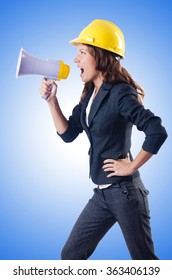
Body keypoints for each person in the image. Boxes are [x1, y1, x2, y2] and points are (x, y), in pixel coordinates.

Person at [39, 19, 167, 260]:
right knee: (70, 256)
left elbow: (156, 131)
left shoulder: (121, 92)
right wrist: (51, 101)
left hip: (125, 193)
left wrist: (131, 165)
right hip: (102, 193)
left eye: (82, 52)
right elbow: (68, 134)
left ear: (100, 56)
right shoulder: (89, 93)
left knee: (145, 263)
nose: (75, 59)